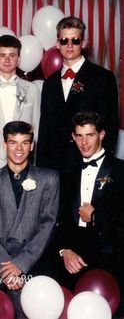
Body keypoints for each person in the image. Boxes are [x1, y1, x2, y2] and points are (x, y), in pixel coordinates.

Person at [0, 121, 59, 319]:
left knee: (33, 308)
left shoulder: (49, 179)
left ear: (32, 145)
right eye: (13, 143)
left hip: (33, 261)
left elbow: (48, 224)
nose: (19, 149)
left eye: (24, 143)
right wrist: (7, 269)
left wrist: (20, 264)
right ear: (4, 145)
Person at [54, 112, 124, 314]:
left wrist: (95, 217)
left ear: (101, 134)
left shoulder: (120, 171)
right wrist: (64, 251)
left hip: (109, 258)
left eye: (90, 135)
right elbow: (57, 220)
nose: (84, 143)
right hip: (73, 257)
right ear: (73, 137)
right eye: (79, 136)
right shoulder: (67, 172)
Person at [36, 16, 119, 172]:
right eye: (64, 40)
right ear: (57, 44)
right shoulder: (49, 84)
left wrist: (105, 166)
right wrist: (42, 173)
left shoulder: (102, 77)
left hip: (89, 165)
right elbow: (45, 131)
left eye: (75, 40)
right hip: (56, 168)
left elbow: (111, 125)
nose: (69, 46)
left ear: (84, 43)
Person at [0, 35, 41, 174]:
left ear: (19, 59)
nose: (7, 60)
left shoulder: (32, 89)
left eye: (12, 55)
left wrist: (34, 163)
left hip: (22, 159)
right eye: (2, 55)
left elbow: (35, 129)